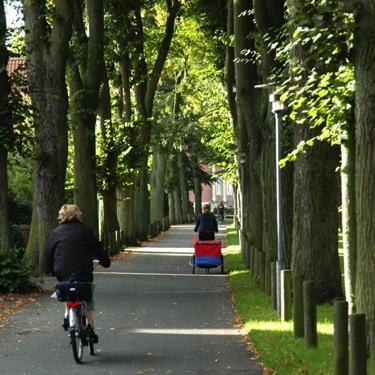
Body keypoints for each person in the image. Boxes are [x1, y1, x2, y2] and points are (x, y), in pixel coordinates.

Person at [45, 204, 111, 343]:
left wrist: (50, 269)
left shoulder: (56, 232)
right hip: (83, 271)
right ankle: (90, 327)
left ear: (61, 216)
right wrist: (105, 262)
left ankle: (66, 316)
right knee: (86, 296)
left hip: (62, 270)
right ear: (77, 215)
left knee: (67, 287)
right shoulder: (85, 231)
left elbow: (48, 252)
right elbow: (98, 249)